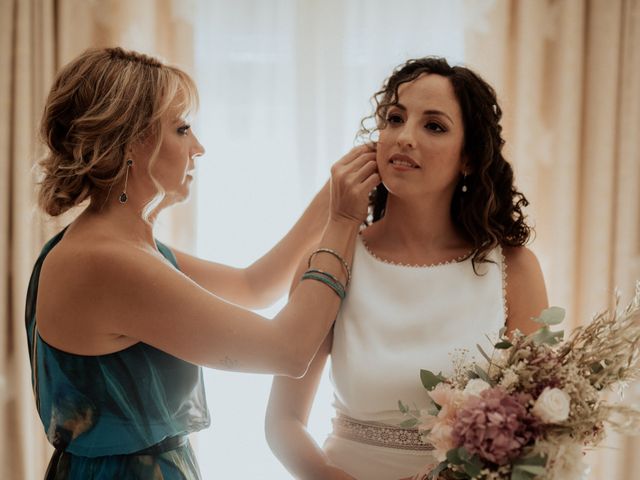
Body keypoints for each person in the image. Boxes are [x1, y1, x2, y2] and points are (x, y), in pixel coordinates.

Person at [25, 47, 380, 480]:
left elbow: (255, 286)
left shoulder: (124, 245)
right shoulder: (104, 261)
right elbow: (287, 351)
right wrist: (343, 221)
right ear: (132, 142)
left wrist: (333, 193)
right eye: (182, 128)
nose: (198, 148)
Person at [265, 57, 549, 480]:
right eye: (395, 118)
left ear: (469, 157)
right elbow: (282, 423)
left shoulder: (513, 269)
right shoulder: (329, 263)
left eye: (433, 125)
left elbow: (539, 425)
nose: (404, 137)